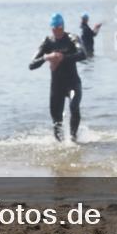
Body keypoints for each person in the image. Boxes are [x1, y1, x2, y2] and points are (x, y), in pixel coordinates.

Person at [29, 14, 87, 142]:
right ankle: (60, 145)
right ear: (51, 28)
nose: (56, 31)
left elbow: (83, 54)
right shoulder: (48, 41)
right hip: (57, 85)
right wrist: (47, 57)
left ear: (63, 26)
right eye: (54, 28)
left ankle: (73, 139)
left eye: (59, 28)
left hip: (73, 83)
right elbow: (31, 65)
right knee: (56, 119)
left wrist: (63, 57)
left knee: (74, 107)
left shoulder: (72, 38)